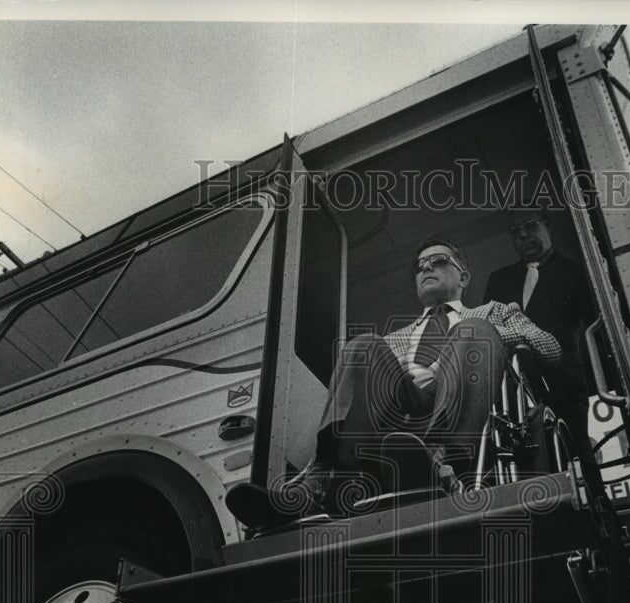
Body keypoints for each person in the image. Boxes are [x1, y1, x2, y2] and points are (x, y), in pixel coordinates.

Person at [230, 236, 561, 523]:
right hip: (401, 417)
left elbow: (550, 347)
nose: (425, 269)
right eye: (419, 266)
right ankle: (317, 483)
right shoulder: (394, 340)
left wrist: (465, 347)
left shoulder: (492, 311)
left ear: (463, 277)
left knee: (473, 331)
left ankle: (440, 460)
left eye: (438, 261)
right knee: (361, 346)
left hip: (464, 411)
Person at [484, 210, 597, 450]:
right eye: (515, 231)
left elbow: (597, 330)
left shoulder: (575, 272)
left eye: (530, 225)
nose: (523, 235)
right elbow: (487, 329)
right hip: (513, 393)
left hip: (565, 386)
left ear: (548, 225)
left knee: (577, 455)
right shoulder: (499, 280)